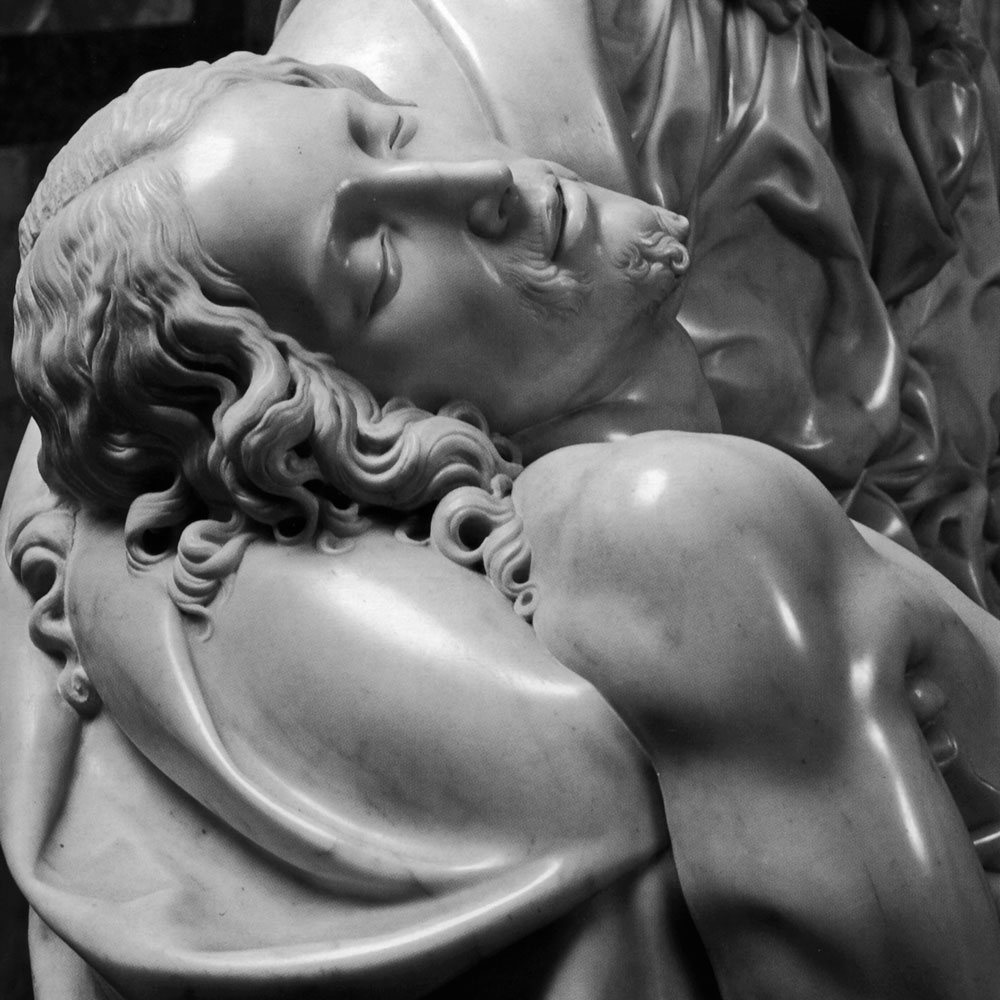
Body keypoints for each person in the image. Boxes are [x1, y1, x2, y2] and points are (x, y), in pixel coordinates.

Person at [4, 50, 1000, 999]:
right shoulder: (678, 526)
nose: (477, 180)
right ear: (339, 420)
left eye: (387, 131)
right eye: (377, 261)